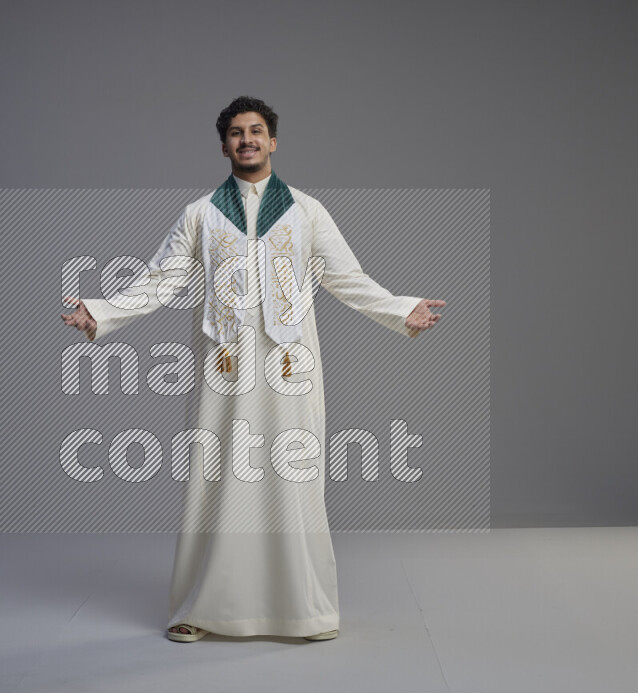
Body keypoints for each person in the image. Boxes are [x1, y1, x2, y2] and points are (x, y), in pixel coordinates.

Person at [61, 96, 445, 642]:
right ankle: (199, 607)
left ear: (273, 141)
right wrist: (99, 311)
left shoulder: (307, 212)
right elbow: (160, 280)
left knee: (293, 478)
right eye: (237, 133)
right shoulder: (200, 214)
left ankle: (304, 611)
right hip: (224, 368)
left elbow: (346, 278)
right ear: (223, 146)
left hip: (290, 368)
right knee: (215, 478)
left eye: (257, 131)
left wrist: (401, 308)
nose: (247, 140)